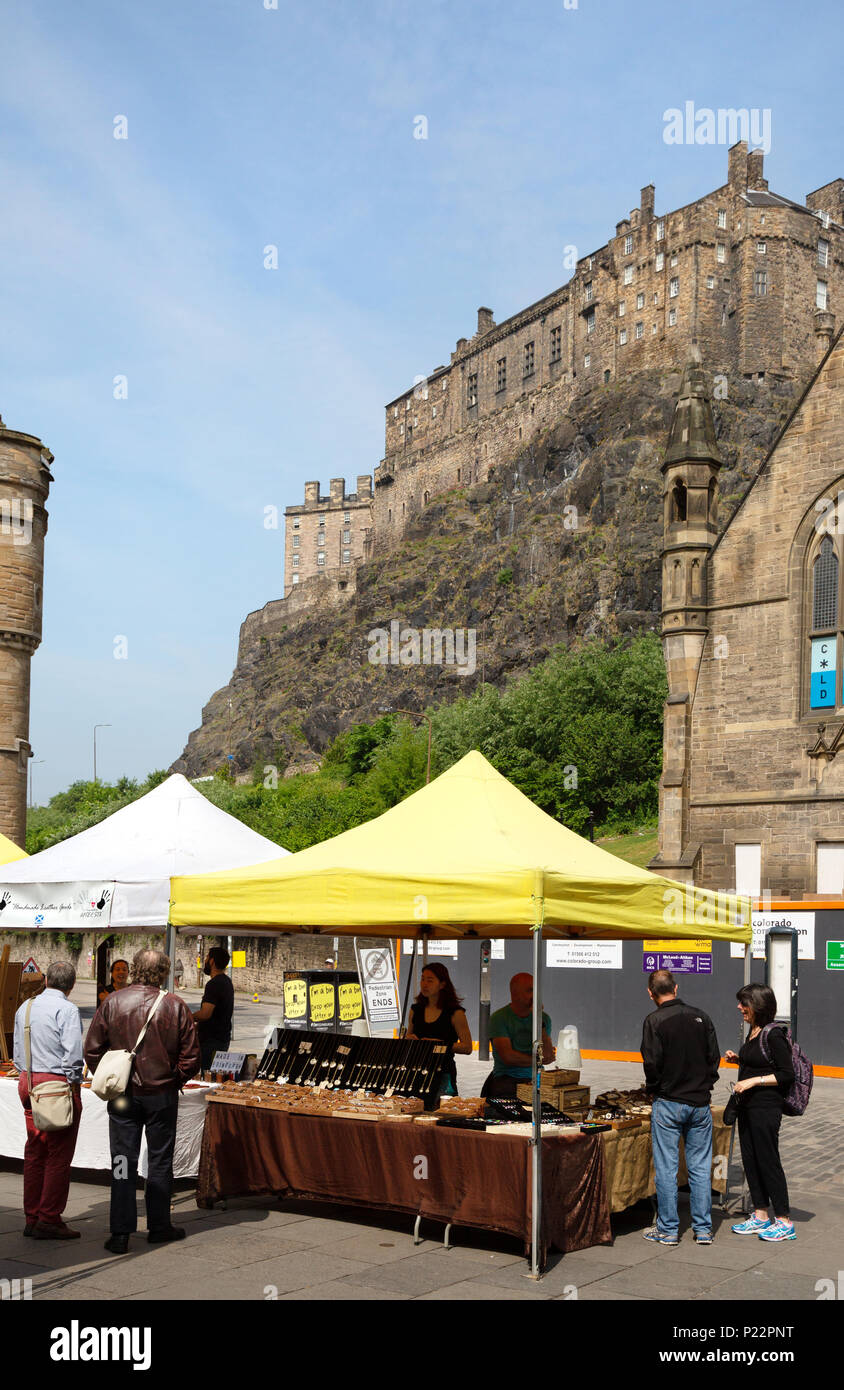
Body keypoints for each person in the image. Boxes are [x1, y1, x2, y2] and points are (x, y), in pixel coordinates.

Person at [84, 948, 200, 1254]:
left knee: (122, 1161)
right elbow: (192, 1057)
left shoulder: (113, 1001)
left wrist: (112, 1076)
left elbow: (92, 1049)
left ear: (134, 969)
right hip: (161, 1095)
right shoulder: (174, 1005)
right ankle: (159, 1226)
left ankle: (120, 1232)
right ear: (163, 972)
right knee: (160, 1160)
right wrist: (173, 1080)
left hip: (124, 1096)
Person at [640, 968, 721, 1246]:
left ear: (651, 994)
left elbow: (651, 1062)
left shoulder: (654, 1020)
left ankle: (668, 1229)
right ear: (675, 988)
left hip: (669, 1101)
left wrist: (654, 1090)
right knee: (699, 1167)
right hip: (699, 1102)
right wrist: (705, 1085)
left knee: (666, 1167)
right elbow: (714, 1058)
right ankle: (703, 1229)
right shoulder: (701, 1017)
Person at [12, 961, 83, 1239]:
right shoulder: (67, 1009)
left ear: (46, 980)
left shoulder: (25, 1007)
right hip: (55, 1085)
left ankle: (32, 1215)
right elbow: (72, 1054)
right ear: (71, 985)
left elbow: (19, 1052)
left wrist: (26, 1073)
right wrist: (74, 1083)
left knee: (35, 1149)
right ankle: (49, 1217)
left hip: (28, 1081)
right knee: (58, 1154)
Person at [726, 983, 796, 1242]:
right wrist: (739, 1060)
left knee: (767, 1160)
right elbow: (759, 1062)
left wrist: (753, 1081)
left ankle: (785, 1220)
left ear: (757, 1006)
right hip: (747, 1106)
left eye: (744, 1004)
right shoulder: (753, 1031)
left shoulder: (773, 1034)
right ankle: (760, 1214)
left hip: (766, 1108)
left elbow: (787, 1074)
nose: (739, 1008)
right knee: (750, 1159)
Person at [405, 962, 473, 1095]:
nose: (424, 984)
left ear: (442, 984)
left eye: (430, 980)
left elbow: (467, 1047)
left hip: (443, 1072)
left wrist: (439, 1045)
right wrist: (409, 1039)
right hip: (416, 1070)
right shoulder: (415, 1010)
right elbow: (409, 1036)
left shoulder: (455, 1013)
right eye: (422, 979)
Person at [484, 973, 555, 1099]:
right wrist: (539, 1060)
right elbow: (508, 1057)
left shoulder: (544, 1019)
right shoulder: (499, 1018)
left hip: (537, 1077)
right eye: (529, 991)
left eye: (536, 990)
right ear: (515, 994)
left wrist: (538, 1020)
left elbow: (549, 1056)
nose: (534, 996)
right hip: (507, 1078)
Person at [192, 945, 235, 1074]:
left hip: (211, 1042)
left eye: (206, 957)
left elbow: (205, 1014)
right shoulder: (227, 981)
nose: (205, 961)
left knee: (207, 1078)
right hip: (221, 1039)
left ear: (211, 961)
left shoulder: (214, 984)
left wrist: (186, 1017)